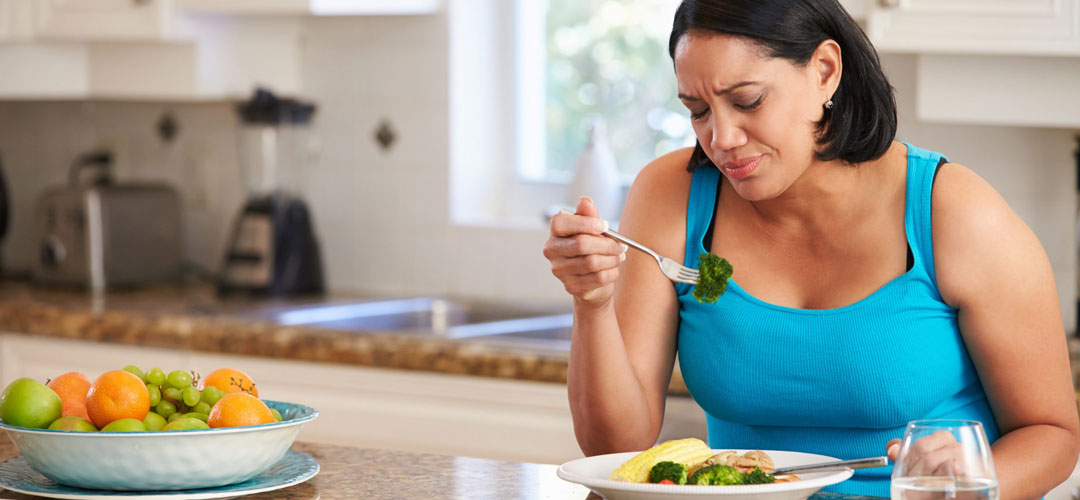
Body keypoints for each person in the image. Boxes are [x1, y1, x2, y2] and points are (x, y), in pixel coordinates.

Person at [542, 0, 1080, 497]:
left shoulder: (953, 212)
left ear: (825, 71)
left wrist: (971, 484)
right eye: (698, 110)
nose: (721, 138)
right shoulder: (673, 195)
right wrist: (592, 303)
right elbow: (618, 446)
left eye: (747, 101)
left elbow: (1053, 434)